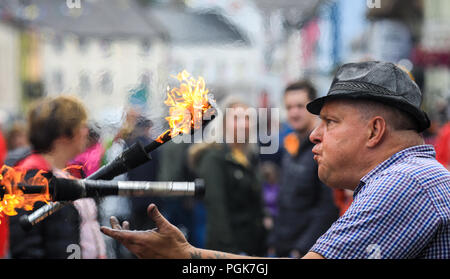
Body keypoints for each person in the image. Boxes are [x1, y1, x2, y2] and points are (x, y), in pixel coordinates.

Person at [100, 61, 450, 259]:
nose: (315, 133)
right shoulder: (413, 176)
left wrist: (190, 258)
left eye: (331, 122)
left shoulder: (402, 183)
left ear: (375, 131)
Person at [9, 95, 106, 259]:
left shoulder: (67, 172)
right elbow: (26, 247)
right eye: (81, 126)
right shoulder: (31, 177)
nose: (86, 131)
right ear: (64, 134)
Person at [187, 95, 266, 256]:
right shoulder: (214, 158)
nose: (243, 124)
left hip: (253, 247)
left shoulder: (248, 157)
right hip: (228, 250)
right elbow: (217, 211)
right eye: (236, 118)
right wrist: (232, 253)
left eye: (247, 118)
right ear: (224, 123)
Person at [268, 81, 339, 258]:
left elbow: (327, 207)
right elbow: (284, 202)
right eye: (289, 107)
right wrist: (273, 243)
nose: (294, 112)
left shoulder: (323, 149)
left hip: (306, 251)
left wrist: (301, 250)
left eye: (300, 106)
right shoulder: (290, 147)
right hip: (282, 248)